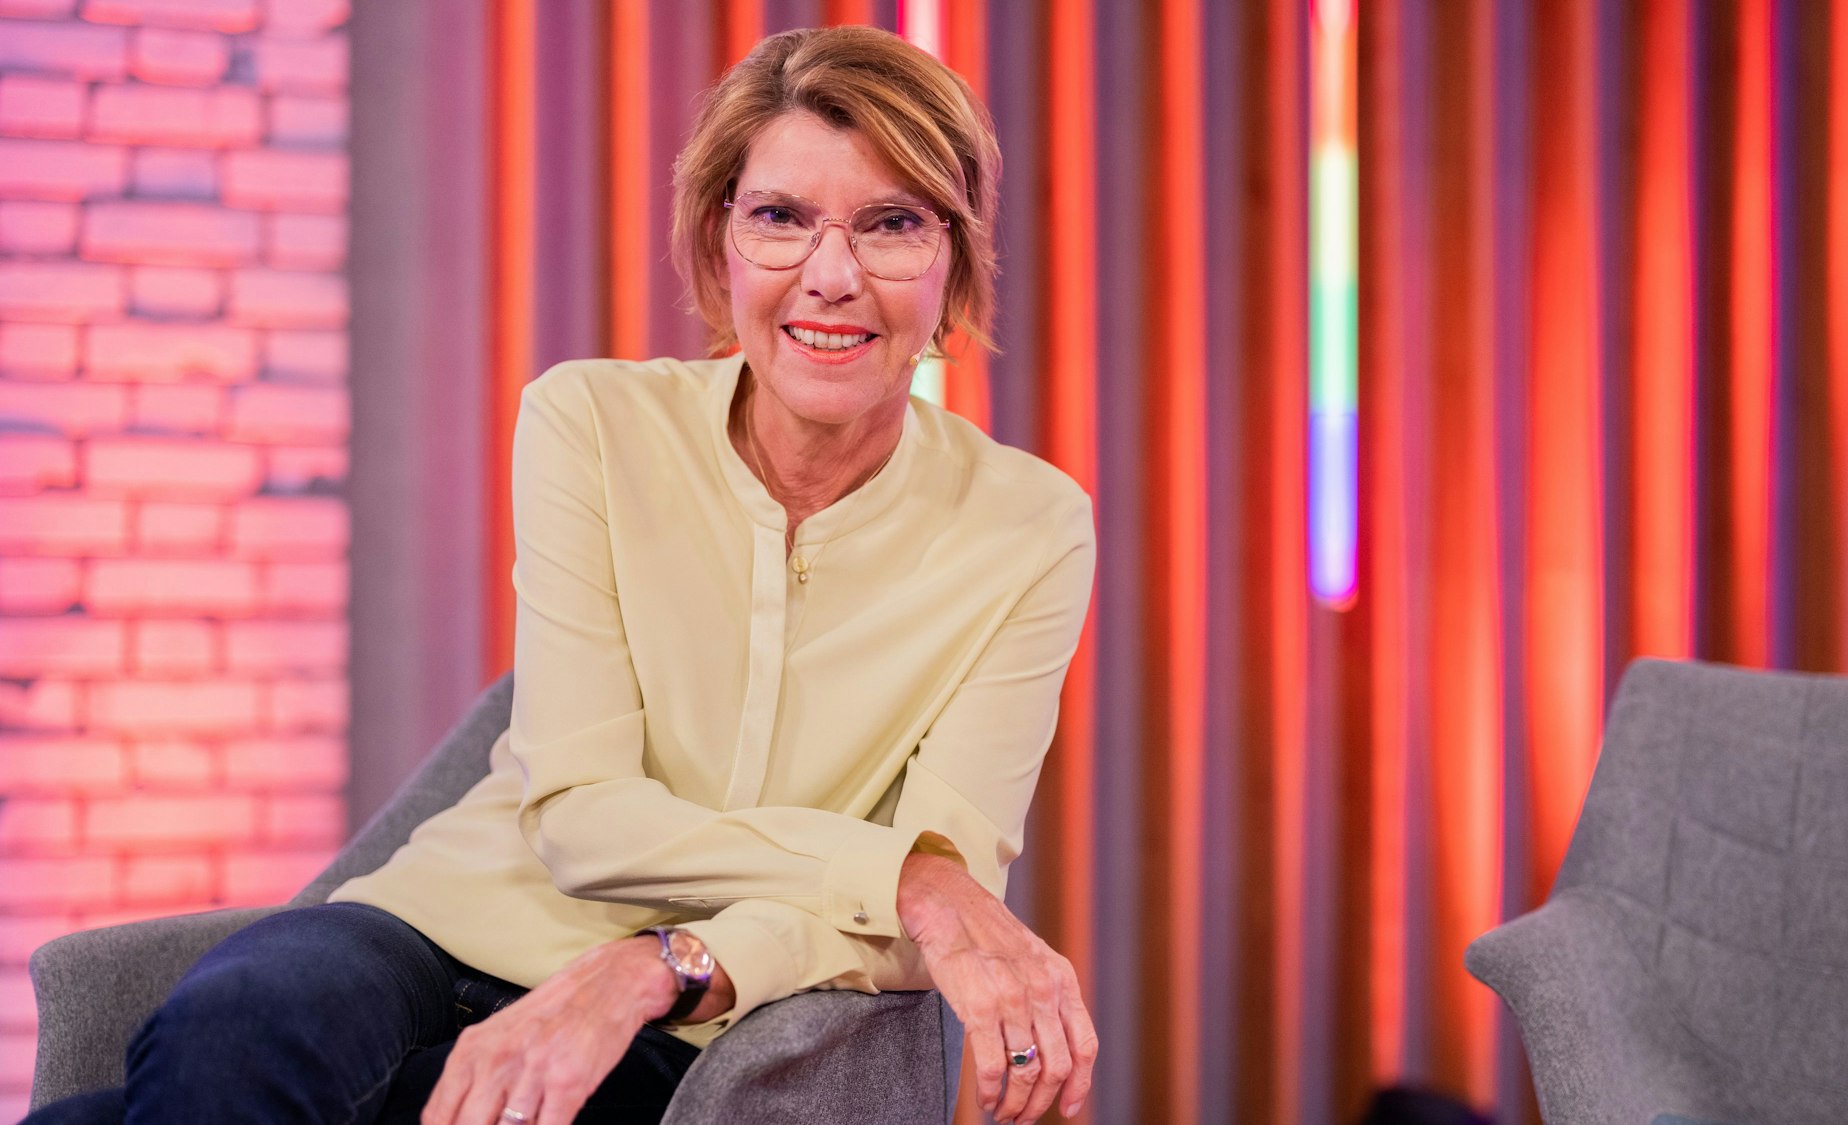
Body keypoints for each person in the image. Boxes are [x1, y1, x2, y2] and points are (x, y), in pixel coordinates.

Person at [26, 24, 1097, 1125]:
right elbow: (585, 818)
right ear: (720, 240)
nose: (831, 277)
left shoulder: (1028, 529)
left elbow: (938, 929)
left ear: (954, 258)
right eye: (780, 218)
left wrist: (663, 966)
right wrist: (904, 875)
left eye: (892, 225)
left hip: (692, 1023)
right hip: (438, 922)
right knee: (238, 1021)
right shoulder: (588, 421)